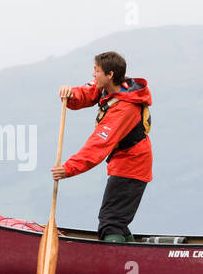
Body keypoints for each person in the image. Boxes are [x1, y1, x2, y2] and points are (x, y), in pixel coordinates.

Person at [51, 51, 153, 242]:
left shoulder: (124, 108)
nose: (93, 75)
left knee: (111, 223)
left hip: (132, 166)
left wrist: (68, 169)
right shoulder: (111, 87)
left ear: (110, 75)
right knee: (116, 222)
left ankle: (115, 264)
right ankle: (129, 255)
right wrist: (71, 93)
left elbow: (98, 145)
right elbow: (87, 92)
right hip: (121, 163)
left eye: (96, 71)